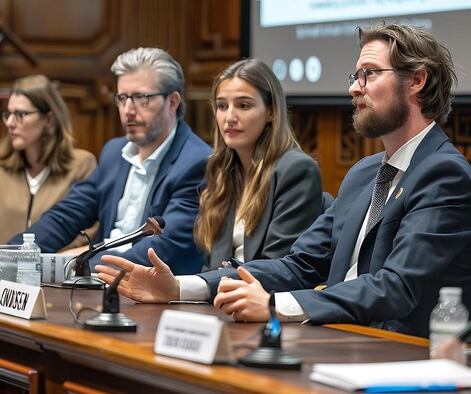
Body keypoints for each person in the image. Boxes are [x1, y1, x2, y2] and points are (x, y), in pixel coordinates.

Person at [97, 24, 471, 338]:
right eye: (354, 77)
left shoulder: (444, 174)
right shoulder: (363, 174)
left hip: (401, 354)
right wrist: (180, 287)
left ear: (416, 81)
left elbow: (398, 287)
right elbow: (301, 265)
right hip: (338, 339)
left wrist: (276, 305)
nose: (354, 88)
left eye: (369, 74)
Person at [9, 48, 212, 274]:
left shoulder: (197, 162)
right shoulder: (114, 153)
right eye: (122, 98)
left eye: (141, 98)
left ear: (172, 102)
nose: (127, 110)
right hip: (98, 284)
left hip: (151, 293)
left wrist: (78, 264)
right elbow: (66, 216)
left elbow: (163, 248)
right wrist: (12, 257)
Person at [194, 58, 323, 270]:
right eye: (222, 106)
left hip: (266, 298)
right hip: (219, 297)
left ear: (271, 112)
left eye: (243, 105)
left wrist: (191, 286)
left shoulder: (296, 170)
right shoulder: (221, 170)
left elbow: (275, 267)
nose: (230, 117)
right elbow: (211, 266)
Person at [0, 75, 96, 244]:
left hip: (60, 268)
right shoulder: (2, 166)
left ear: (49, 119)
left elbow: (89, 233)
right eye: (8, 114)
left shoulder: (81, 165)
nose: (10, 123)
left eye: (20, 114)